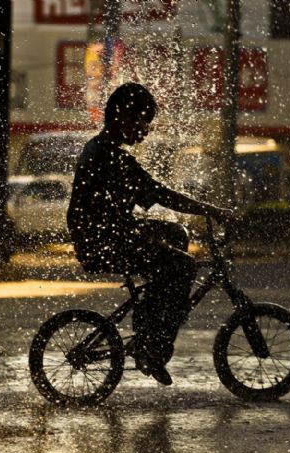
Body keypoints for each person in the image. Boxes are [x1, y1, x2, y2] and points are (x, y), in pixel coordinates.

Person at [67, 82, 233, 386]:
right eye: (141, 121)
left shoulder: (104, 148)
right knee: (183, 265)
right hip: (102, 241)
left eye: (147, 122)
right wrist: (212, 210)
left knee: (175, 233)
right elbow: (159, 193)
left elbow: (148, 195)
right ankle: (152, 345)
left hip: (108, 233)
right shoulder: (110, 155)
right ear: (119, 116)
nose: (145, 130)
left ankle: (149, 320)